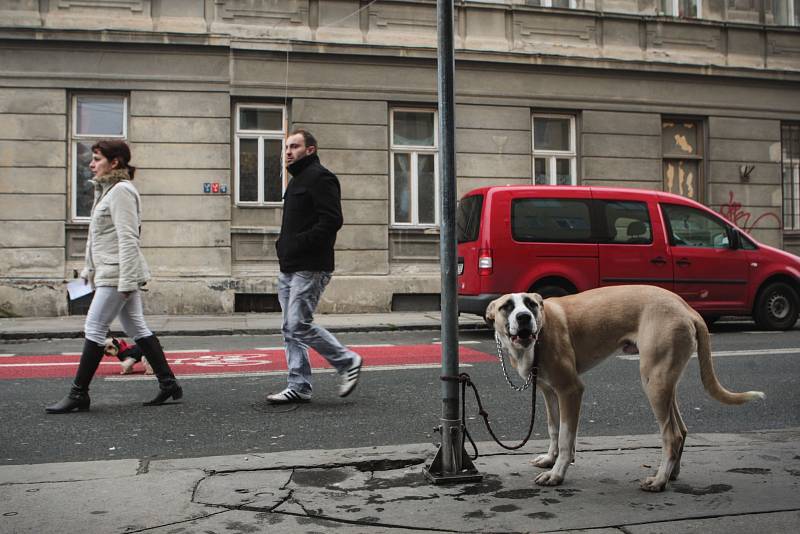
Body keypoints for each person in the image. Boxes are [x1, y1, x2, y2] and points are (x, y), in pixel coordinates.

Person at [45, 140, 182, 413]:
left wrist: (127, 281)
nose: (91, 164)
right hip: (110, 270)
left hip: (119, 273)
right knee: (137, 328)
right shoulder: (107, 191)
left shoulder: (121, 191)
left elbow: (129, 238)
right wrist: (88, 272)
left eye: (97, 158)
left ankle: (78, 393)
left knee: (94, 328)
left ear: (115, 162)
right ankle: (169, 384)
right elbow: (98, 239)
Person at [267, 129, 362, 404]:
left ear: (310, 150)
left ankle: (347, 361)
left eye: (294, 146)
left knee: (298, 323)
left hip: (310, 265)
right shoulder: (296, 180)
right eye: (286, 147)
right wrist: (282, 246)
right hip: (289, 264)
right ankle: (299, 385)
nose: (288, 151)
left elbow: (332, 220)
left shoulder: (321, 177)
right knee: (289, 327)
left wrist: (297, 243)